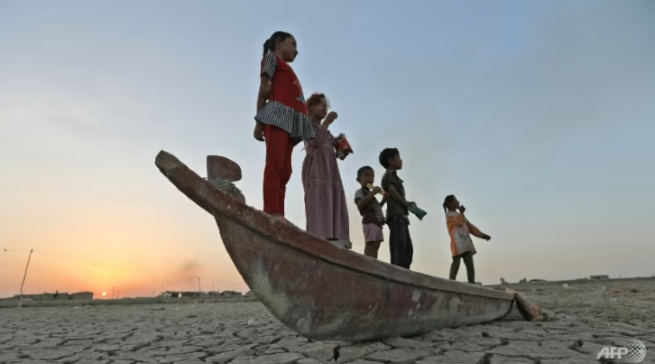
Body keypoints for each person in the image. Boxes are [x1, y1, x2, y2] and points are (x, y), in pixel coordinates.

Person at [254, 31, 315, 222]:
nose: (296, 51)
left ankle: (279, 213)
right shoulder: (271, 58)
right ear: (279, 41)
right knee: (275, 163)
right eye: (293, 44)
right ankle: (271, 210)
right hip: (278, 116)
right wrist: (259, 123)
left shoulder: (286, 69)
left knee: (285, 170)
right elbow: (264, 89)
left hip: (292, 121)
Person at [301, 93, 350, 248]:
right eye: (320, 104)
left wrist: (341, 148)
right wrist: (328, 122)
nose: (324, 108)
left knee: (333, 198)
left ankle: (336, 236)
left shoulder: (327, 133)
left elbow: (336, 154)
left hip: (330, 173)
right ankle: (319, 236)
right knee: (319, 200)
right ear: (310, 108)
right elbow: (315, 141)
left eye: (325, 105)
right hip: (317, 173)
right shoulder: (307, 125)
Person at [442, 194, 491, 284]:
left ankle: (471, 284)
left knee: (470, 266)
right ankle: (450, 283)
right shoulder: (449, 216)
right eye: (455, 200)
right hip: (457, 245)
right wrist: (461, 213)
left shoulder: (460, 215)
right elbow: (459, 223)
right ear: (450, 203)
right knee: (456, 264)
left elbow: (471, 228)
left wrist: (482, 235)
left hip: (466, 243)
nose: (458, 202)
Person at [379, 148, 413, 269]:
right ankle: (398, 273)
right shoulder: (388, 175)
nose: (401, 160)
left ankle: (404, 273)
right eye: (398, 158)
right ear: (390, 160)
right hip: (396, 215)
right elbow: (392, 192)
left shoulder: (394, 176)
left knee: (407, 248)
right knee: (399, 248)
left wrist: (406, 203)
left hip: (401, 215)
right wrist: (405, 203)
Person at [353, 166, 386, 258]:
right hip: (370, 221)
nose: (370, 178)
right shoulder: (360, 192)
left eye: (372, 176)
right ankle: (368, 262)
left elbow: (377, 207)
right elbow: (360, 204)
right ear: (358, 180)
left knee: (376, 245)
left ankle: (374, 262)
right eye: (366, 175)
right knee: (371, 244)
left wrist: (384, 199)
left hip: (377, 222)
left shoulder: (371, 195)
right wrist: (373, 193)